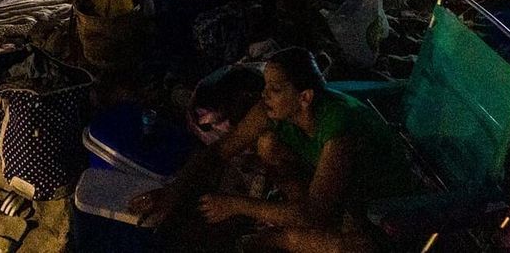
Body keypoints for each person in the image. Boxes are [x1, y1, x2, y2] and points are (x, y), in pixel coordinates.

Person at [129, 47, 408, 247]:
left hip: (379, 202)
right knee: (267, 144)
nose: (264, 95)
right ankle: (288, 216)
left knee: (296, 240)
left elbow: (314, 214)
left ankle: (285, 232)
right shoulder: (273, 109)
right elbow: (220, 152)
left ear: (305, 97)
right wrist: (173, 192)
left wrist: (236, 205)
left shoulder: (338, 131)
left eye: (274, 89)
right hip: (327, 187)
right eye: (266, 86)